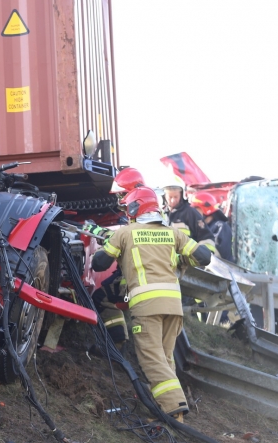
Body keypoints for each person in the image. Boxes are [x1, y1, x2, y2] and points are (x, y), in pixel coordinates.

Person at [91, 186, 212, 422]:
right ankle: (172, 417)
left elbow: (99, 264)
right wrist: (177, 259)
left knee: (151, 359)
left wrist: (107, 245)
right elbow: (204, 257)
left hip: (147, 306)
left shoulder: (125, 233)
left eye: (128, 207)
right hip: (173, 307)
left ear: (135, 208)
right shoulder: (172, 233)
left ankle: (174, 405)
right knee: (165, 359)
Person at [90, 167, 148, 349]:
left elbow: (124, 237)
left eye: (122, 194)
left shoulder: (139, 218)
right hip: (153, 280)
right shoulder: (150, 213)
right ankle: (119, 342)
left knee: (100, 297)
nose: (119, 200)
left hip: (138, 279)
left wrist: (93, 230)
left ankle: (116, 344)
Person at [191, 191, 233, 261]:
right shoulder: (202, 228)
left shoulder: (220, 227)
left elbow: (214, 256)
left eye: (196, 210)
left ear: (206, 210)